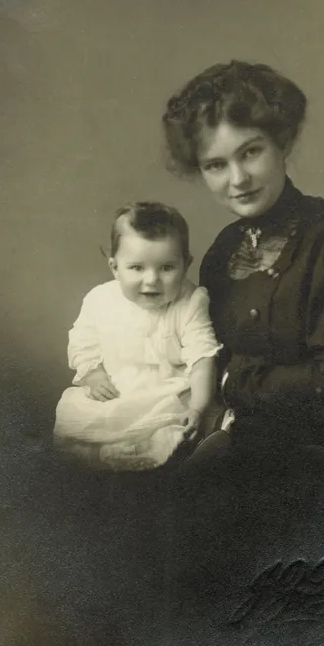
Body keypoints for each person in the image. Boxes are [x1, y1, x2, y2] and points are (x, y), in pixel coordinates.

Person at [162, 60, 324, 457]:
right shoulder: (222, 250)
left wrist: (230, 385)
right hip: (235, 439)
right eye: (216, 165)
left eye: (250, 152)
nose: (237, 180)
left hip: (321, 452)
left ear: (281, 142)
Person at [53, 201, 221, 470]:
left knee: (172, 437)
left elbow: (202, 357)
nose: (152, 279)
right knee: (86, 430)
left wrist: (198, 407)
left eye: (167, 268)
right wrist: (95, 376)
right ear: (115, 266)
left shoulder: (191, 301)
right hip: (118, 391)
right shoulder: (100, 300)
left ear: (186, 264)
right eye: (137, 268)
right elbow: (83, 343)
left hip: (171, 393)